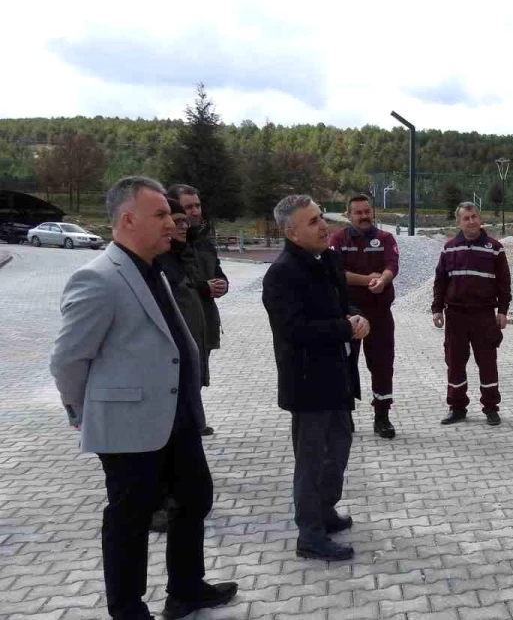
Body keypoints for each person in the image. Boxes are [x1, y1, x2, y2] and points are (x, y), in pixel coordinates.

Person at [50, 176, 237, 620]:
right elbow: (67, 361)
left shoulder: (156, 267)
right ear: (128, 219)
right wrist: (82, 410)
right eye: (161, 215)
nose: (172, 222)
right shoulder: (97, 278)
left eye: (171, 214)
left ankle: (186, 590)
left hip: (178, 416)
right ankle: (128, 609)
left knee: (195, 499)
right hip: (130, 425)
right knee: (131, 519)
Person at [262, 194, 368, 562]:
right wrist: (344, 326)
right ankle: (309, 535)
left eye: (321, 217)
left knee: (338, 449)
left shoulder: (330, 260)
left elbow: (342, 306)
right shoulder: (282, 274)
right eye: (312, 222)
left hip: (339, 376)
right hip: (308, 383)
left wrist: (356, 317)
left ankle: (325, 511)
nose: (324, 225)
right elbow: (293, 330)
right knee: (311, 460)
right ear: (291, 232)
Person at [148, 197, 212, 535]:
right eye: (174, 220)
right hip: (160, 387)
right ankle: (157, 504)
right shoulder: (150, 267)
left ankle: (189, 586)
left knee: (194, 490)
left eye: (184, 222)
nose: (181, 226)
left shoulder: (177, 259)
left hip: (183, 378)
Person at [431, 201, 512, 426]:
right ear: (459, 222)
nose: (471, 221)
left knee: (487, 362)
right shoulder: (449, 248)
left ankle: (491, 408)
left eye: (474, 216)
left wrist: (503, 311)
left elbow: (504, 283)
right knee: (455, 362)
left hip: (484, 315)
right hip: (455, 316)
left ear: (480, 218)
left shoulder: (495, 248)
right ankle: (457, 408)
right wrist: (437, 308)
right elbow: (440, 281)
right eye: (466, 218)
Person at [327, 194, 399, 439]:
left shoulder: (385, 238)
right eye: (358, 212)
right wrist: (369, 279)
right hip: (348, 313)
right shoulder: (338, 239)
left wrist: (384, 279)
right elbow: (335, 272)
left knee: (382, 365)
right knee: (345, 364)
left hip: (380, 313)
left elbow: (392, 265)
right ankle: (345, 416)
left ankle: (382, 417)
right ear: (348, 215)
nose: (364, 216)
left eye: (367, 211)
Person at [166, 184, 227, 437]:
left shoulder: (203, 244)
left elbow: (218, 273)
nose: (195, 212)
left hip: (205, 321)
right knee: (184, 376)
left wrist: (222, 284)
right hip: (183, 324)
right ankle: (189, 423)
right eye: (188, 207)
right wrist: (203, 288)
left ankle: (194, 419)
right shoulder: (168, 246)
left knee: (198, 373)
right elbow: (176, 285)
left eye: (197, 205)